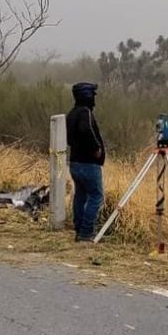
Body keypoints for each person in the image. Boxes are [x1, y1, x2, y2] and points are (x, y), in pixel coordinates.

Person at [66, 82, 106, 242]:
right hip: (88, 163)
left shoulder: (72, 114)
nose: (94, 98)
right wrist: (96, 148)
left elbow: (69, 138)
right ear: (87, 96)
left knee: (80, 195)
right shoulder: (85, 113)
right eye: (92, 94)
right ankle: (86, 232)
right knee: (96, 196)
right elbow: (86, 130)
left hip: (75, 162)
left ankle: (79, 228)